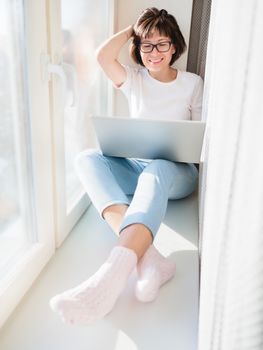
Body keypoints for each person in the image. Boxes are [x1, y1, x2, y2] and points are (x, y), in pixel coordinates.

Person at [50, 7, 203, 326]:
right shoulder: (134, 79)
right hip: (137, 168)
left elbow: (201, 134)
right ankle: (148, 257)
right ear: (138, 47)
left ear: (174, 46)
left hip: (177, 174)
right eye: (146, 45)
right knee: (86, 158)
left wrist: (180, 154)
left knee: (158, 167)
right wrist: (134, 30)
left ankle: (111, 275)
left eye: (162, 44)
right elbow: (103, 56)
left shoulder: (192, 83)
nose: (154, 52)